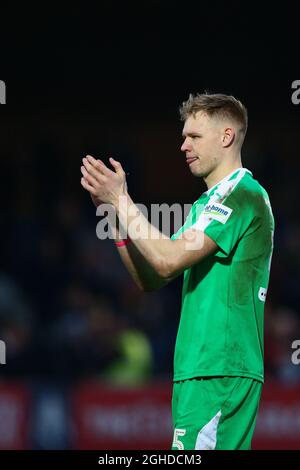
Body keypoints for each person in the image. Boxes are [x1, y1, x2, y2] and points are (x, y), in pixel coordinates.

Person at [80, 92, 274, 450]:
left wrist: (122, 200)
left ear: (226, 136)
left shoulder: (241, 194)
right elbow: (152, 276)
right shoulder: (207, 203)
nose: (183, 145)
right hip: (198, 369)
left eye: (194, 136)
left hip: (220, 367)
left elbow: (167, 258)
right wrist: (113, 215)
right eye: (184, 136)